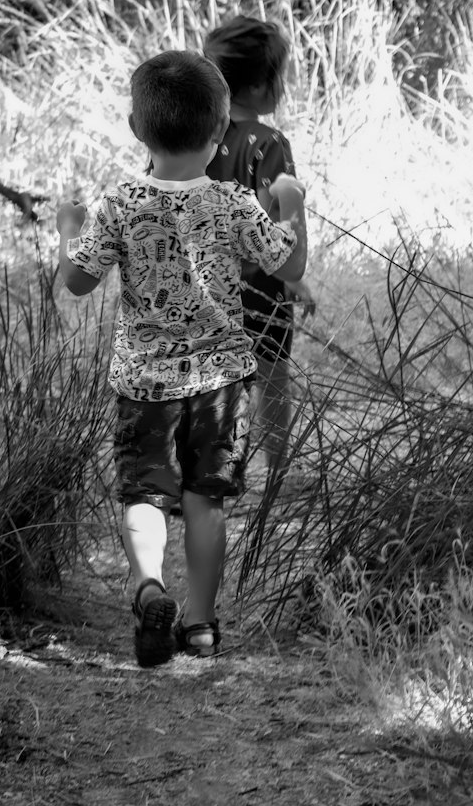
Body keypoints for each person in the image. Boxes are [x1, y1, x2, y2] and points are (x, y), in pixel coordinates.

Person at [56, 49, 307, 666]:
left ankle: (148, 588)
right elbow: (290, 266)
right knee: (206, 500)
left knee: (143, 493)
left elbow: (77, 282)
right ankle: (199, 624)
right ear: (220, 129)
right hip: (220, 382)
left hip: (144, 383)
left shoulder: (119, 203)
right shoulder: (231, 203)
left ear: (139, 130)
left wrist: (67, 227)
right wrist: (291, 203)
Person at [203, 16, 315, 477]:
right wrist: (295, 277)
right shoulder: (268, 144)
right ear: (255, 87)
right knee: (271, 382)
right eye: (280, 76)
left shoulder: (199, 139)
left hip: (204, 286)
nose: (284, 86)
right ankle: (277, 475)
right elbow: (273, 230)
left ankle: (217, 473)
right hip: (260, 290)